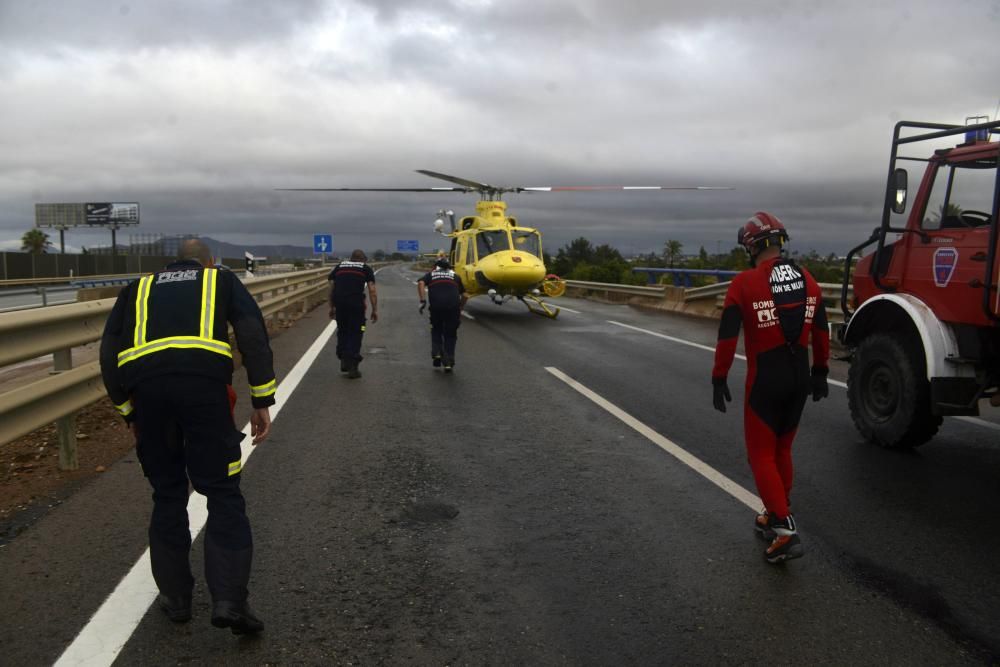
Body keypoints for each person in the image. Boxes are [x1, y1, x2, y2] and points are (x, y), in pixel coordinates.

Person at [99, 239, 275, 634]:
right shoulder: (220, 280)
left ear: (170, 264)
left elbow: (109, 352)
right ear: (208, 262)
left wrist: (128, 411)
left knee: (168, 494)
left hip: (149, 394)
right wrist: (262, 399)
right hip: (204, 390)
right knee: (223, 492)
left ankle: (176, 600)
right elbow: (252, 335)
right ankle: (229, 600)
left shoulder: (136, 288)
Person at [711, 212, 830, 564]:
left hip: (766, 378)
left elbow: (728, 337)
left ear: (750, 246)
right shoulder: (809, 279)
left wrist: (719, 376)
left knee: (760, 454)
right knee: (782, 449)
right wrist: (821, 371)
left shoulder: (744, 284)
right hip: (800, 377)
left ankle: (784, 531)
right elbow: (822, 332)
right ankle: (773, 511)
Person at [329, 249, 378, 378]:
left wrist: (331, 306)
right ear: (363, 259)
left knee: (343, 330)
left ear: (351, 259)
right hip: (356, 306)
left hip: (340, 304)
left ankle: (343, 356)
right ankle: (353, 365)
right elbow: (372, 290)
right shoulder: (365, 268)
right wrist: (374, 310)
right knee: (356, 332)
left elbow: (332, 287)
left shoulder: (339, 266)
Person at [417, 258, 468, 372]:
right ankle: (449, 361)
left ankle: (437, 353)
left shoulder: (431, 275)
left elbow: (420, 283)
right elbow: (465, 295)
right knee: (450, 334)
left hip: (436, 308)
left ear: (436, 267)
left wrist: (422, 300)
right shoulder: (455, 276)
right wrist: (460, 308)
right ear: (449, 268)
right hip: (452, 309)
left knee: (436, 329)